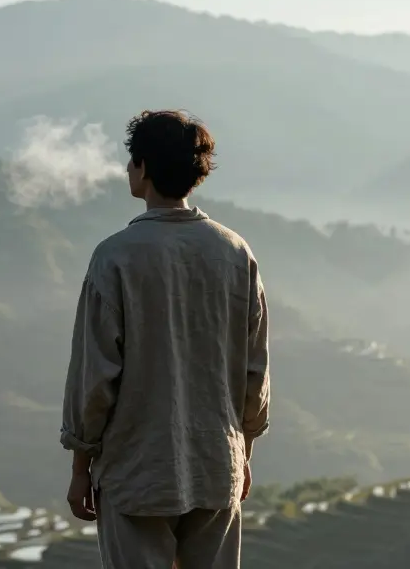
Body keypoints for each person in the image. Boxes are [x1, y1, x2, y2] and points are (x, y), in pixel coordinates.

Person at [60, 109, 271, 569]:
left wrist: (80, 469)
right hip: (216, 466)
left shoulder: (115, 257)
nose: (127, 169)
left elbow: (94, 377)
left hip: (137, 472)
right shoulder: (236, 253)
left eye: (132, 160)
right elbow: (254, 373)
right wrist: (243, 455)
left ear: (145, 168)